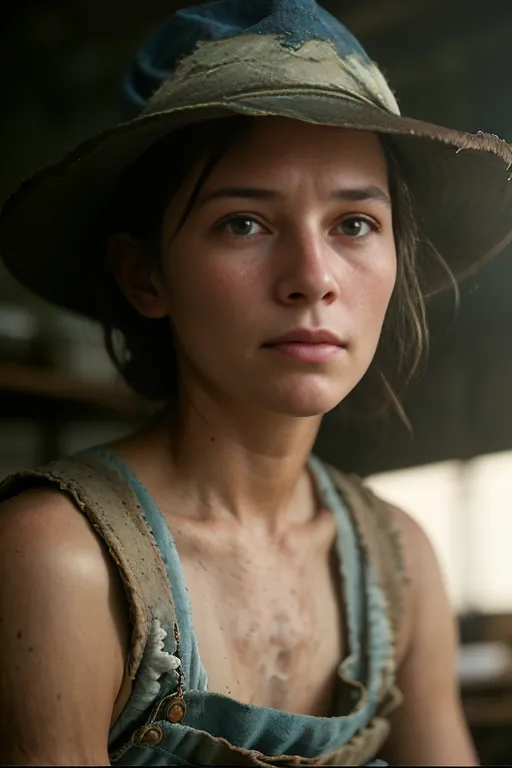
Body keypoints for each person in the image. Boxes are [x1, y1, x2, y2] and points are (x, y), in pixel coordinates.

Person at [0, 1, 511, 765]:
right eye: (244, 222)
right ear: (145, 276)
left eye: (354, 224)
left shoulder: (397, 562)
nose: (312, 279)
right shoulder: (61, 558)